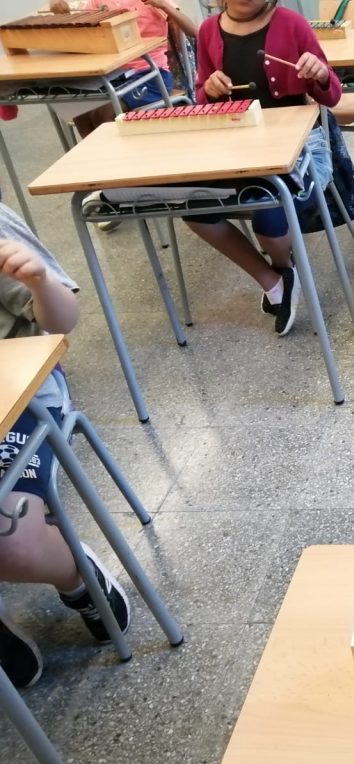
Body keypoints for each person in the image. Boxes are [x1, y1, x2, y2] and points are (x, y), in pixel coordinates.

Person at [0, 193, 130, 689]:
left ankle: (76, 578)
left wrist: (37, 281)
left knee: (12, 540)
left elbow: (61, 320)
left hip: (20, 393)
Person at [185, 0, 343, 336]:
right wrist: (209, 89)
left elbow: (332, 96)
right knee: (194, 207)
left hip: (301, 148)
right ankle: (274, 279)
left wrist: (319, 74)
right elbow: (202, 97)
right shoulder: (209, 30)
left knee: (268, 211)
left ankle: (284, 266)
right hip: (239, 147)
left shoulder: (291, 23)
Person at [49, 0, 199, 136]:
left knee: (104, 112)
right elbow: (86, 35)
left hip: (152, 75)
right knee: (80, 109)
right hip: (115, 74)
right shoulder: (97, 1)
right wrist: (63, 16)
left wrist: (164, 5)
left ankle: (115, 155)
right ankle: (96, 155)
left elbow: (193, 31)